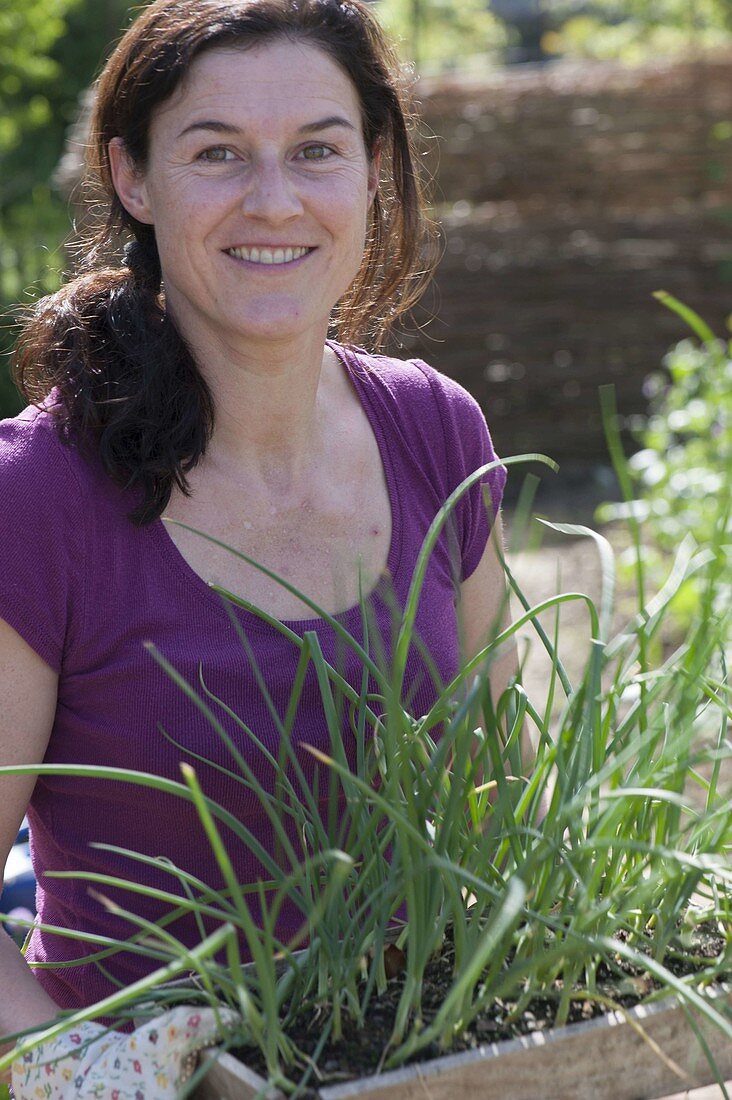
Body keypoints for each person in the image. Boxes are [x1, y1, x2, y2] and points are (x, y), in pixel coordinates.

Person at [0, 0, 514, 1087]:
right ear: (134, 177)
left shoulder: (439, 432)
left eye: (316, 150)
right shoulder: (34, 496)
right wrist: (84, 1055)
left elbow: (495, 804)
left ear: (371, 168)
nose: (273, 199)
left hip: (410, 1057)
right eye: (217, 152)